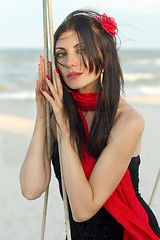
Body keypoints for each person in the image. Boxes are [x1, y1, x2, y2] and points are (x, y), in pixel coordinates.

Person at [19, 10, 160, 239]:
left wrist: (65, 131)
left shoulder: (127, 120)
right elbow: (31, 189)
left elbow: (84, 210)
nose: (70, 62)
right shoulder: (60, 114)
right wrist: (43, 115)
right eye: (61, 54)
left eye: (81, 50)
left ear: (104, 54)